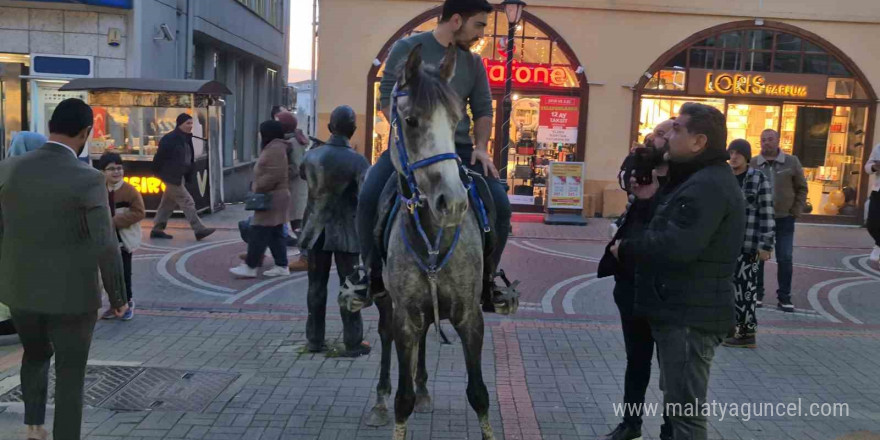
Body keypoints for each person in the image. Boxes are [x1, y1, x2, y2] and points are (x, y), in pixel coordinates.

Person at [358, 0, 516, 313]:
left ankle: (487, 282)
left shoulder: (471, 63)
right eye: (479, 25)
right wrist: (410, 138)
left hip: (457, 150)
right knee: (368, 197)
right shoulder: (407, 48)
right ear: (457, 20)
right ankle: (372, 276)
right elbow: (386, 96)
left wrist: (482, 148)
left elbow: (484, 109)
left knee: (500, 203)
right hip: (410, 149)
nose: (481, 32)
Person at [611, 103, 745, 440]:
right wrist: (646, 199)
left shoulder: (708, 185)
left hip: (690, 316)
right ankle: (631, 423)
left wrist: (625, 248)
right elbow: (668, 226)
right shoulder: (696, 180)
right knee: (679, 407)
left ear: (699, 141)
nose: (667, 135)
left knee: (685, 417)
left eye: (676, 130)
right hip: (681, 310)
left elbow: (676, 245)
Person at [0, 98, 128, 440]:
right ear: (86, 132)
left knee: (35, 354)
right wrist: (119, 296)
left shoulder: (8, 168)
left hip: (20, 290)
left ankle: (33, 427)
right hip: (73, 296)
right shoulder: (87, 179)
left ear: (51, 127)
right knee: (70, 374)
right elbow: (106, 243)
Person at [599, 119, 674, 440]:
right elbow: (623, 182)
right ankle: (631, 422)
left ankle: (672, 428)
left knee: (672, 370)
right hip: (631, 285)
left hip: (666, 290)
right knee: (636, 360)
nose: (654, 138)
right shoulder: (644, 166)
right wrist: (631, 176)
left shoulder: (686, 181)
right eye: (655, 132)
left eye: (663, 133)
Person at [301, 105, 371, 357]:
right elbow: (365, 197)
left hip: (315, 230)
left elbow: (303, 176)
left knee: (315, 287)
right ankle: (352, 342)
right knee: (349, 286)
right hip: (345, 232)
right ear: (353, 130)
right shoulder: (358, 160)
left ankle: (314, 340)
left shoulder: (311, 156)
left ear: (330, 128)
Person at [724, 139, 775, 348]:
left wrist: (766, 245)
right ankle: (729, 328)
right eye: (731, 153)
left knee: (745, 290)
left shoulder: (758, 178)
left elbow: (767, 212)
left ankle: (747, 334)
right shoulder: (724, 177)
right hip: (725, 245)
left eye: (738, 153)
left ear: (747, 157)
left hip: (749, 244)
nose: (734, 157)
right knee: (725, 288)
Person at [750, 129, 808, 312]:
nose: (766, 143)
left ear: (777, 141)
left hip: (784, 219)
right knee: (758, 257)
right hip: (760, 219)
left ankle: (784, 297)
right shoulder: (753, 163)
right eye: (763, 139)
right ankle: (757, 294)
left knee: (785, 258)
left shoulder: (791, 161)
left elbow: (802, 188)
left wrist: (795, 211)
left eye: (769, 139)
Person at [230, 120, 292, 278]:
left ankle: (250, 266)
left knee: (258, 229)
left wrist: (257, 187)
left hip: (271, 197)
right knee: (275, 232)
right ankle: (281, 265)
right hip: (277, 196)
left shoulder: (275, 149)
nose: (258, 135)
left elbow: (273, 174)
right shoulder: (276, 147)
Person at [150, 113, 216, 241]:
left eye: (191, 123)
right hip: (171, 176)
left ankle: (157, 229)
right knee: (187, 201)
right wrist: (157, 172)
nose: (190, 126)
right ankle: (199, 229)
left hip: (179, 175)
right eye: (187, 123)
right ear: (180, 124)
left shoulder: (186, 138)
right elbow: (159, 157)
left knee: (167, 204)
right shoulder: (170, 138)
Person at [98, 153, 146, 321]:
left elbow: (139, 212)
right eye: (111, 169)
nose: (116, 172)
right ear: (102, 171)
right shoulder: (99, 189)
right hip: (105, 240)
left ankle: (128, 302)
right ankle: (115, 304)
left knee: (124, 273)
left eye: (119, 168)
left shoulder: (129, 190)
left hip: (124, 239)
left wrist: (115, 221)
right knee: (108, 274)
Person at [276, 110, 310, 271]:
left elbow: (296, 167)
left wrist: (279, 172)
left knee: (298, 224)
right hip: (296, 188)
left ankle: (306, 257)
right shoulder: (294, 139)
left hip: (296, 188)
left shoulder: (293, 143)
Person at [865, 143, 880, 263]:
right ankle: (879, 244)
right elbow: (868, 167)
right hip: (878, 191)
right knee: (871, 224)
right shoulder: (879, 147)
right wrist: (875, 167)